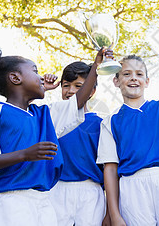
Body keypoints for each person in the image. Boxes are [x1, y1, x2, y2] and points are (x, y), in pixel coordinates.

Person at [0, 45, 105, 226]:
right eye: (34, 71)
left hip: (43, 203)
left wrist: (96, 65)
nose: (41, 76)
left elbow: (78, 101)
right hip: (9, 203)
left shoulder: (43, 115)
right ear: (15, 78)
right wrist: (25, 154)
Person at [97, 55, 159, 226]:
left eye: (139, 74)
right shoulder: (110, 122)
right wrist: (114, 214)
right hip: (133, 187)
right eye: (126, 74)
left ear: (147, 81)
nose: (134, 78)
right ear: (116, 81)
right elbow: (111, 170)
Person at [48, 61, 109, 226]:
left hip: (90, 191)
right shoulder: (52, 120)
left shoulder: (100, 124)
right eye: (66, 85)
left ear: (91, 90)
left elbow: (108, 168)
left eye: (79, 86)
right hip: (57, 190)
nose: (71, 91)